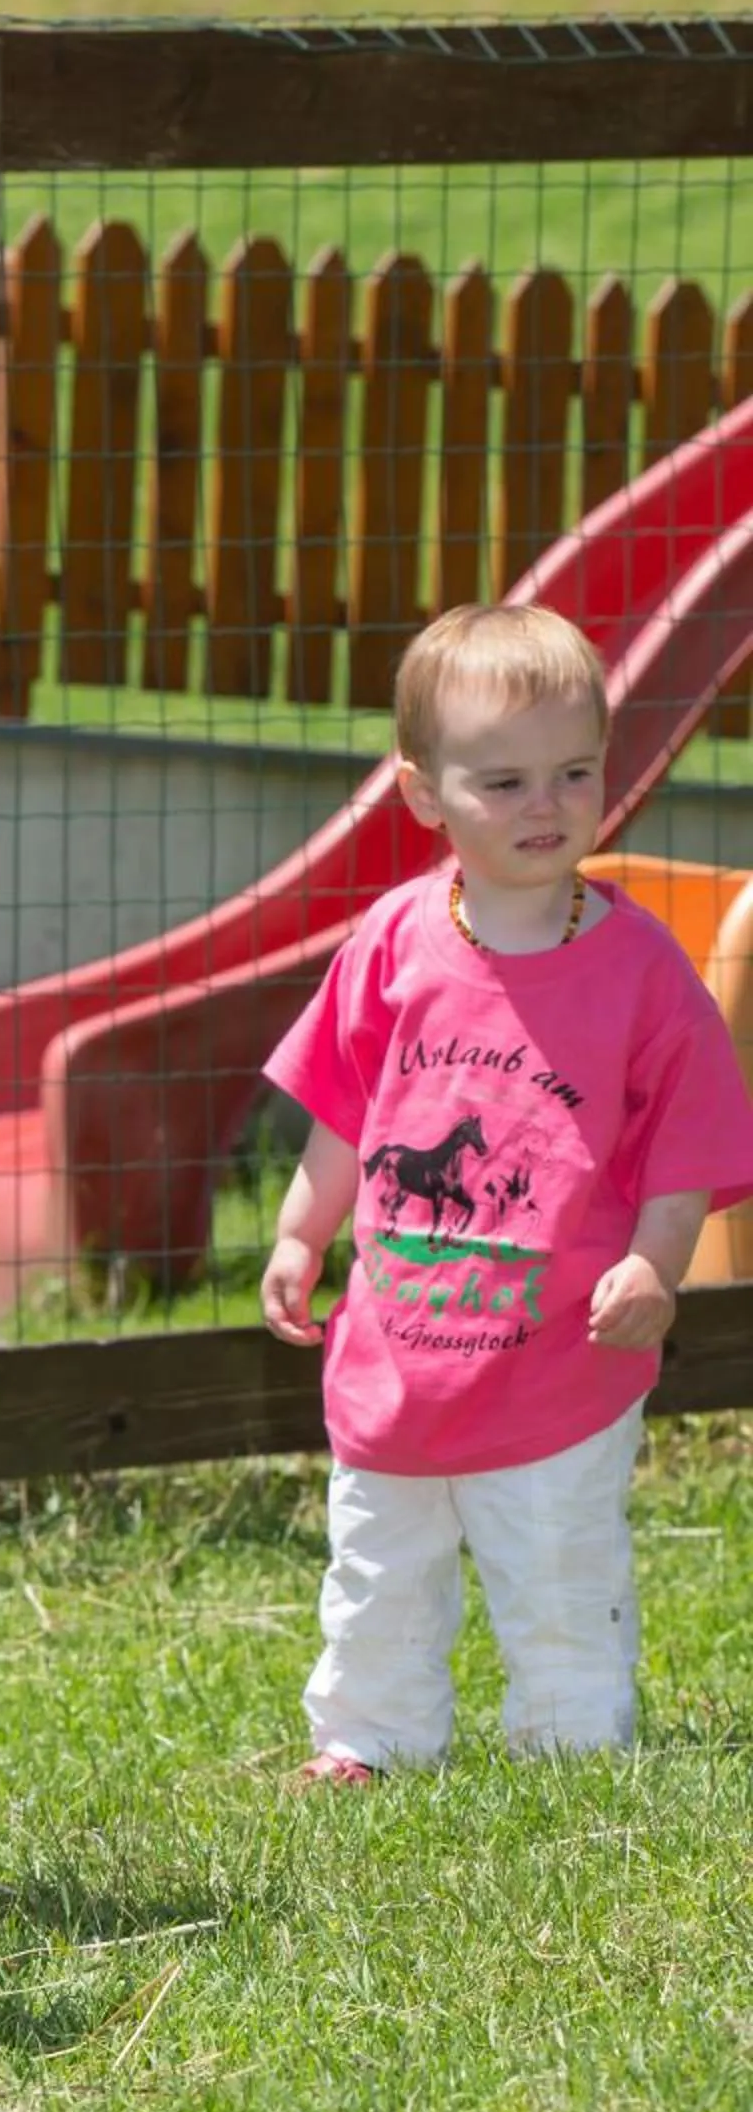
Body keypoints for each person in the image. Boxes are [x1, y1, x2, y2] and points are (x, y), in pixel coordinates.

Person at [259, 601, 753, 1783]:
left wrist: (655, 1261)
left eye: (573, 773)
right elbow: (344, 1107)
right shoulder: (390, 942)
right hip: (398, 1353)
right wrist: (296, 1231)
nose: (546, 806)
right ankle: (366, 1739)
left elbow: (686, 1139)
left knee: (558, 1559)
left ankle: (570, 1738)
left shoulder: (641, 973)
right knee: (378, 1558)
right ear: (423, 792)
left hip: (556, 1364)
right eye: (504, 781)